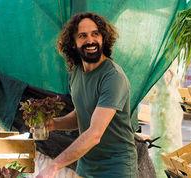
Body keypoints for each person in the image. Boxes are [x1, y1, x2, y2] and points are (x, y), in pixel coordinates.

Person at [36, 12, 138, 178]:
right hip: (87, 165)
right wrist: (53, 124)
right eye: (82, 36)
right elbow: (82, 114)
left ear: (103, 38)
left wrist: (54, 165)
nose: (90, 40)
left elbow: (94, 134)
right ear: (73, 43)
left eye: (95, 34)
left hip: (116, 167)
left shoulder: (113, 77)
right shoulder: (77, 72)